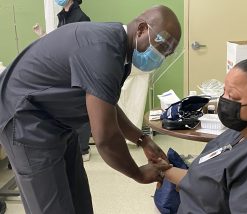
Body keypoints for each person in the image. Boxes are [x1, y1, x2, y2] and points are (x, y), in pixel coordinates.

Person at [0, 5, 181, 214]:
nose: (162, 56)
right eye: (161, 47)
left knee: (79, 200)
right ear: (141, 29)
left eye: (168, 53)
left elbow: (107, 104)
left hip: (57, 120)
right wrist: (138, 174)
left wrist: (143, 139)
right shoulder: (103, 50)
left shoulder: (121, 52)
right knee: (53, 206)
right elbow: (105, 138)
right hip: (25, 119)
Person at [161, 57, 247, 213]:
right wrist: (162, 170)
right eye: (224, 91)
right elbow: (208, 182)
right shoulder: (238, 133)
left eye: (233, 97)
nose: (223, 100)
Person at [34, 0, 92, 161]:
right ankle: (72, 146)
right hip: (65, 68)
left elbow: (82, 46)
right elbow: (58, 42)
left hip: (77, 68)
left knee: (80, 106)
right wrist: (43, 35)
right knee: (67, 107)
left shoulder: (82, 18)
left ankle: (84, 149)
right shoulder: (63, 16)